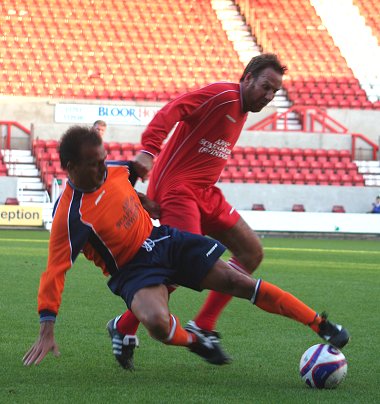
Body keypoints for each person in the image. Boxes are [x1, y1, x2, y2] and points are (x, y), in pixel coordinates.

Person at [23, 126, 350, 368]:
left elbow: (122, 182)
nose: (103, 167)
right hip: (132, 271)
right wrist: (46, 328)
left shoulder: (115, 170)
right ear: (71, 169)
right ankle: (197, 340)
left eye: (103, 159)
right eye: (94, 164)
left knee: (238, 281)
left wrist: (145, 200)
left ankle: (319, 324)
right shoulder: (70, 216)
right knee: (156, 321)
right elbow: (55, 272)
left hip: (163, 242)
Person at [108, 53, 286, 368]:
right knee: (183, 266)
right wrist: (149, 150)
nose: (269, 96)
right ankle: (123, 326)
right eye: (265, 87)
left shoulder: (242, 109)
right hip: (178, 192)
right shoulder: (221, 96)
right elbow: (172, 109)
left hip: (204, 194)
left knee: (251, 253)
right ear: (246, 79)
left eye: (274, 91)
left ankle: (203, 324)